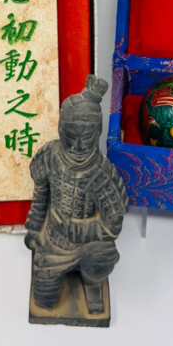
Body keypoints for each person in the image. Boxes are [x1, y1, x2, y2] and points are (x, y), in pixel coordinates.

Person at [25, 75, 129, 314]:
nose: (79, 146)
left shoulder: (102, 173)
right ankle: (55, 272)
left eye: (87, 137)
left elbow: (113, 226)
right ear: (61, 129)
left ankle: (92, 283)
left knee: (104, 255)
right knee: (45, 301)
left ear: (98, 132)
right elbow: (41, 195)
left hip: (89, 247)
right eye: (71, 137)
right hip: (53, 244)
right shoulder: (50, 156)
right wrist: (34, 228)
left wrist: (78, 230)